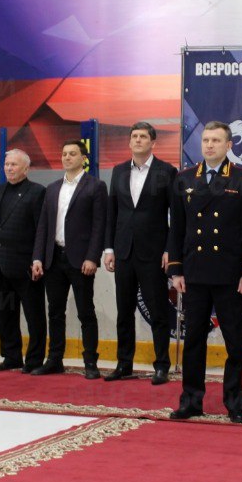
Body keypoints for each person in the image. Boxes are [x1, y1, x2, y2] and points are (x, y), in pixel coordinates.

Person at [166, 121, 242, 424]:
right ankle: (191, 400)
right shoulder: (184, 178)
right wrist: (176, 269)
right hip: (195, 272)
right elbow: (176, 228)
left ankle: (235, 402)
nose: (209, 145)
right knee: (194, 339)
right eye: (206, 140)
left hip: (230, 274)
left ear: (229, 145)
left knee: (234, 341)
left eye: (216, 141)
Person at [102, 122, 177, 384]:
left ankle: (161, 366)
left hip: (153, 253)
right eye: (134, 136)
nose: (138, 140)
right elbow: (112, 212)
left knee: (158, 312)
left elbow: (176, 215)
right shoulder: (119, 171)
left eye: (143, 136)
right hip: (123, 251)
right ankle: (124, 364)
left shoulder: (166, 171)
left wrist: (169, 249)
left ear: (153, 142)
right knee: (124, 312)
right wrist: (109, 248)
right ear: (129, 141)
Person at [32, 140, 107, 378]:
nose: (67, 157)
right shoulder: (53, 188)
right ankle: (54, 359)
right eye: (64, 153)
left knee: (86, 312)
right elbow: (43, 225)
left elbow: (99, 225)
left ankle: (90, 362)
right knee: (55, 312)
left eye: (72, 154)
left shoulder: (95, 186)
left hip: (81, 260)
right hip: (54, 257)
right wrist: (38, 257)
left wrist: (93, 257)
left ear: (83, 158)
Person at [0, 149, 47, 373]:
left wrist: (38, 259)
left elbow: (41, 231)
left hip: (27, 268)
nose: (9, 168)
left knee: (34, 316)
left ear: (26, 168)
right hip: (0, 267)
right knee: (6, 314)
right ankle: (11, 356)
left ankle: (34, 360)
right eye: (7, 164)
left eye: (14, 164)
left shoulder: (37, 192)